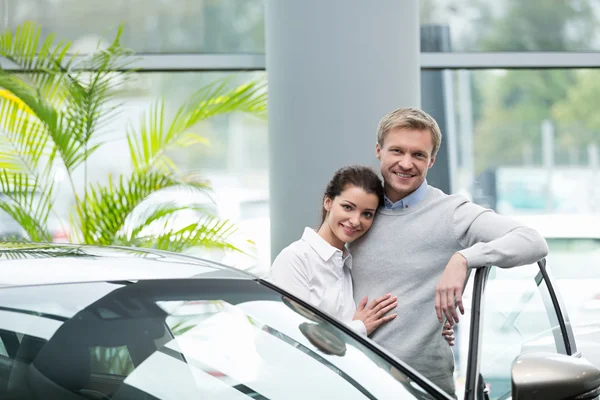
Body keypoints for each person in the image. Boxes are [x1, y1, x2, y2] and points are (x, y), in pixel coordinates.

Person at [349, 107, 549, 396]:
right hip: (353, 383)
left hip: (423, 390)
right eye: (397, 151)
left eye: (418, 154)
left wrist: (464, 258)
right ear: (379, 151)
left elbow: (532, 241)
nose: (406, 163)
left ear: (431, 160)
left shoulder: (453, 214)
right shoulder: (359, 211)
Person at [269, 165, 398, 336]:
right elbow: (294, 335)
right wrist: (359, 327)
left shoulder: (346, 265)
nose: (355, 221)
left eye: (367, 214)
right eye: (348, 207)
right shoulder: (295, 259)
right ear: (328, 202)